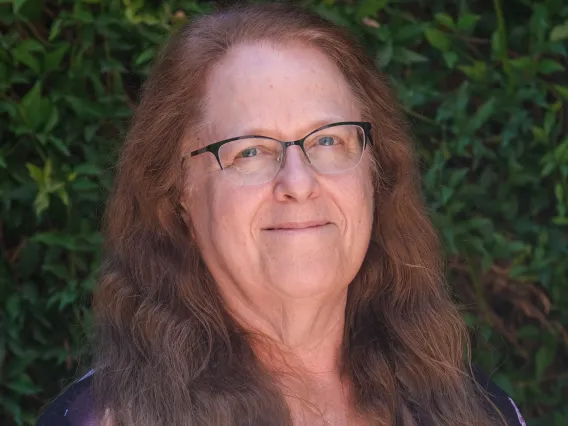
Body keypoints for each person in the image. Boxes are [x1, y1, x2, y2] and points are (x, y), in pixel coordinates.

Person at [36, 3, 527, 426]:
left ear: (375, 173)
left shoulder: (476, 409)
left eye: (329, 140)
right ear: (178, 193)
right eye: (249, 151)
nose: (298, 183)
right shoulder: (101, 419)